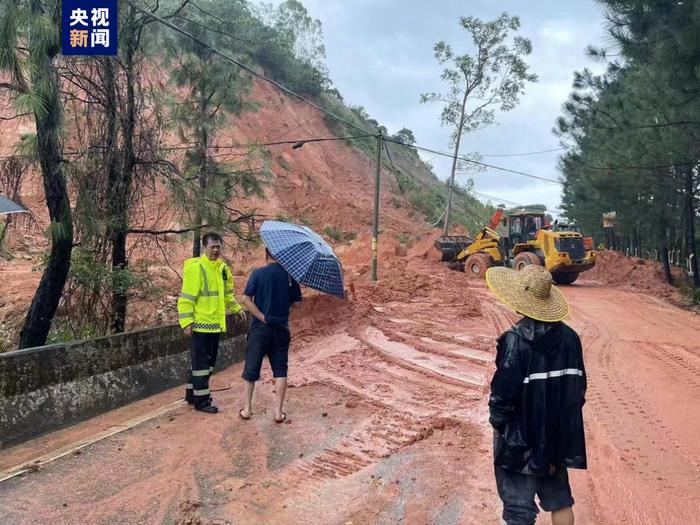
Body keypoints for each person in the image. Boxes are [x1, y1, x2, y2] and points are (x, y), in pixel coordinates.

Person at [484, 265, 587, 525]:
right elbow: (579, 389)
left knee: (519, 510)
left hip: (521, 438)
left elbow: (502, 396)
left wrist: (500, 427)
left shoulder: (514, 340)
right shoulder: (570, 338)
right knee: (560, 500)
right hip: (556, 434)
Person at [177, 232, 246, 414]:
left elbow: (227, 296)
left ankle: (192, 394)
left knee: (207, 365)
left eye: (218, 247)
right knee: (201, 365)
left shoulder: (223, 269)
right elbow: (186, 298)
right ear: (204, 248)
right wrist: (186, 322)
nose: (216, 250)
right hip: (200, 325)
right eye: (212, 247)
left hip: (215, 325)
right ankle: (202, 401)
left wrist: (237, 309)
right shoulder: (196, 268)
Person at [239, 248, 302, 423]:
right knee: (280, 369)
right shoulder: (291, 277)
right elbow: (297, 304)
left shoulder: (258, 273)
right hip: (281, 329)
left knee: (251, 369)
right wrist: (285, 304)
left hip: (259, 329)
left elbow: (245, 299)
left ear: (267, 255)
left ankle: (247, 410)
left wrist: (262, 317)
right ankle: (278, 413)